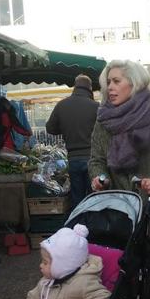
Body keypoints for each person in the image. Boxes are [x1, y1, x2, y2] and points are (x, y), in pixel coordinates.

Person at [88, 59, 150, 299]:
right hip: (119, 218)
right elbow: (96, 159)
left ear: (134, 84)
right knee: (122, 286)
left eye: (116, 81)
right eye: (108, 82)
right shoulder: (103, 122)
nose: (110, 87)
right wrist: (98, 176)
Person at [22, 224, 111, 299]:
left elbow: (102, 295)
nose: (40, 265)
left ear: (62, 266)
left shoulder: (84, 282)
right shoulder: (45, 281)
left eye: (45, 263)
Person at [46, 74, 99, 210]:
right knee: (94, 197)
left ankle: (78, 227)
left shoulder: (61, 105)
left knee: (77, 198)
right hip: (92, 159)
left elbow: (50, 128)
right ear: (90, 88)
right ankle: (94, 228)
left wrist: (65, 128)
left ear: (75, 86)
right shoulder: (96, 106)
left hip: (73, 159)